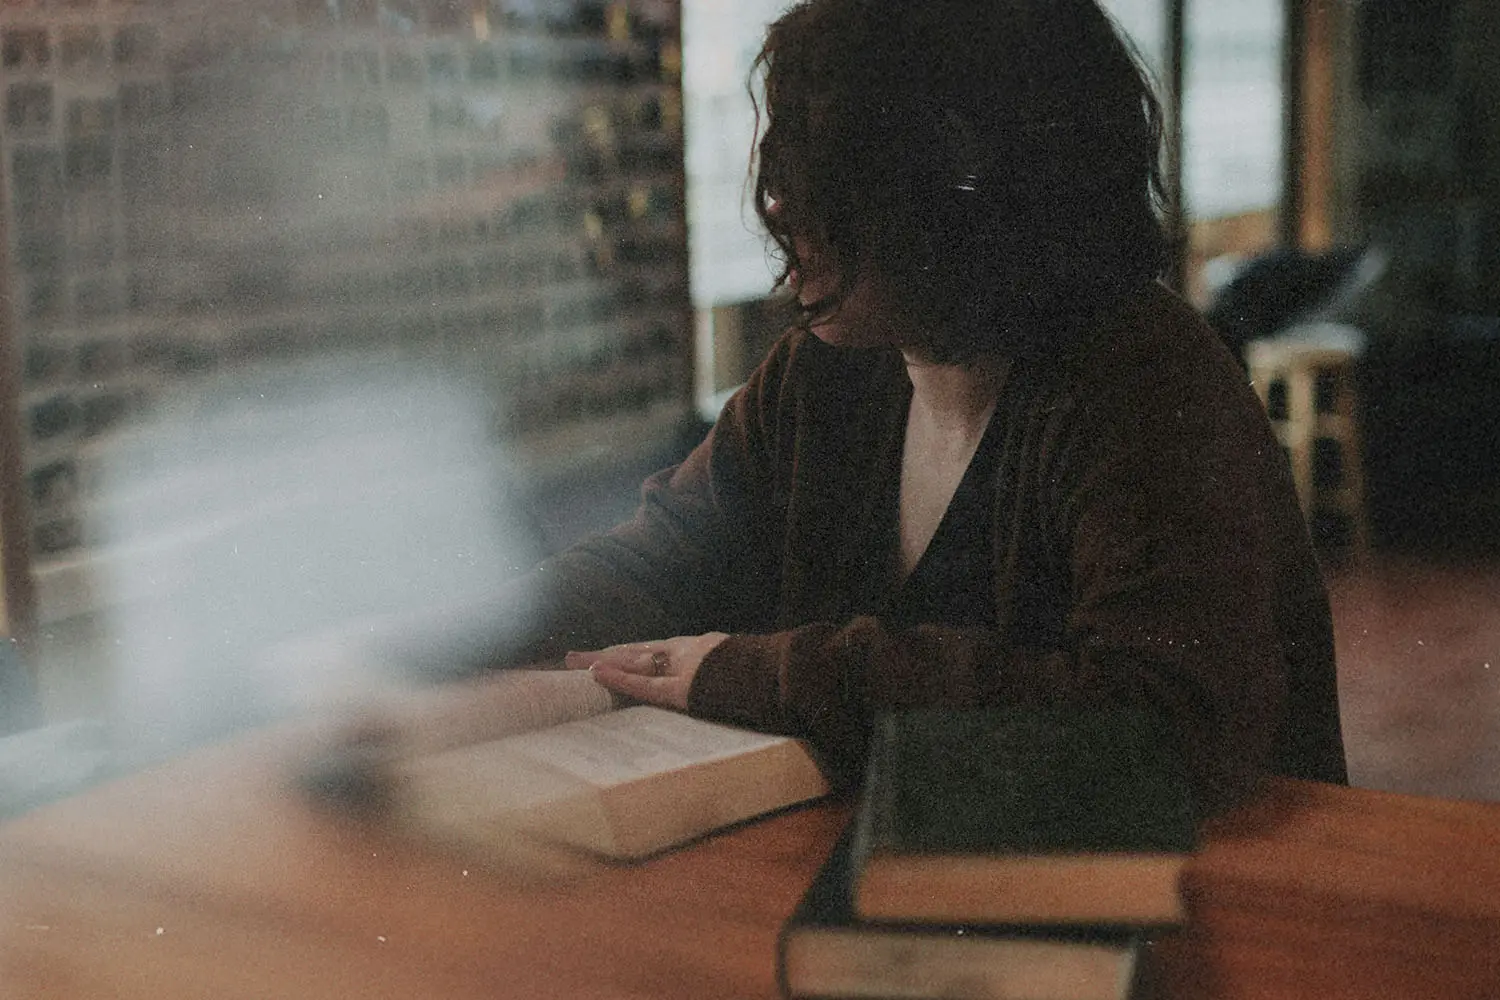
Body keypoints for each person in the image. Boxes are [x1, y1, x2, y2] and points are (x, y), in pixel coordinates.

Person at [377, 0, 1346, 815]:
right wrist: (464, 627)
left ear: (966, 192)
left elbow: (1166, 724)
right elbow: (668, 554)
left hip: (1192, 899)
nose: (779, 202)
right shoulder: (828, 368)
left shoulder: (1142, 379)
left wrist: (767, 671)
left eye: (830, 166)